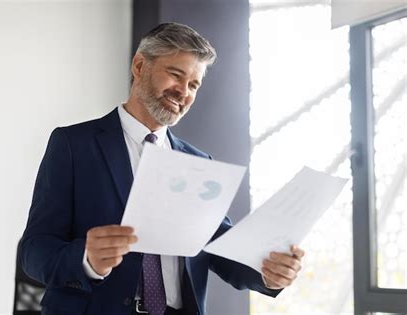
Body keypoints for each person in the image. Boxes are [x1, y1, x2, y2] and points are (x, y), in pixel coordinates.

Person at [19, 22, 305, 315]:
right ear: (140, 66)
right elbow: (33, 250)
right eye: (175, 74)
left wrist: (267, 273)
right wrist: (85, 259)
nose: (183, 92)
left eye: (193, 85)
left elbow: (221, 248)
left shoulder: (198, 163)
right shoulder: (73, 144)